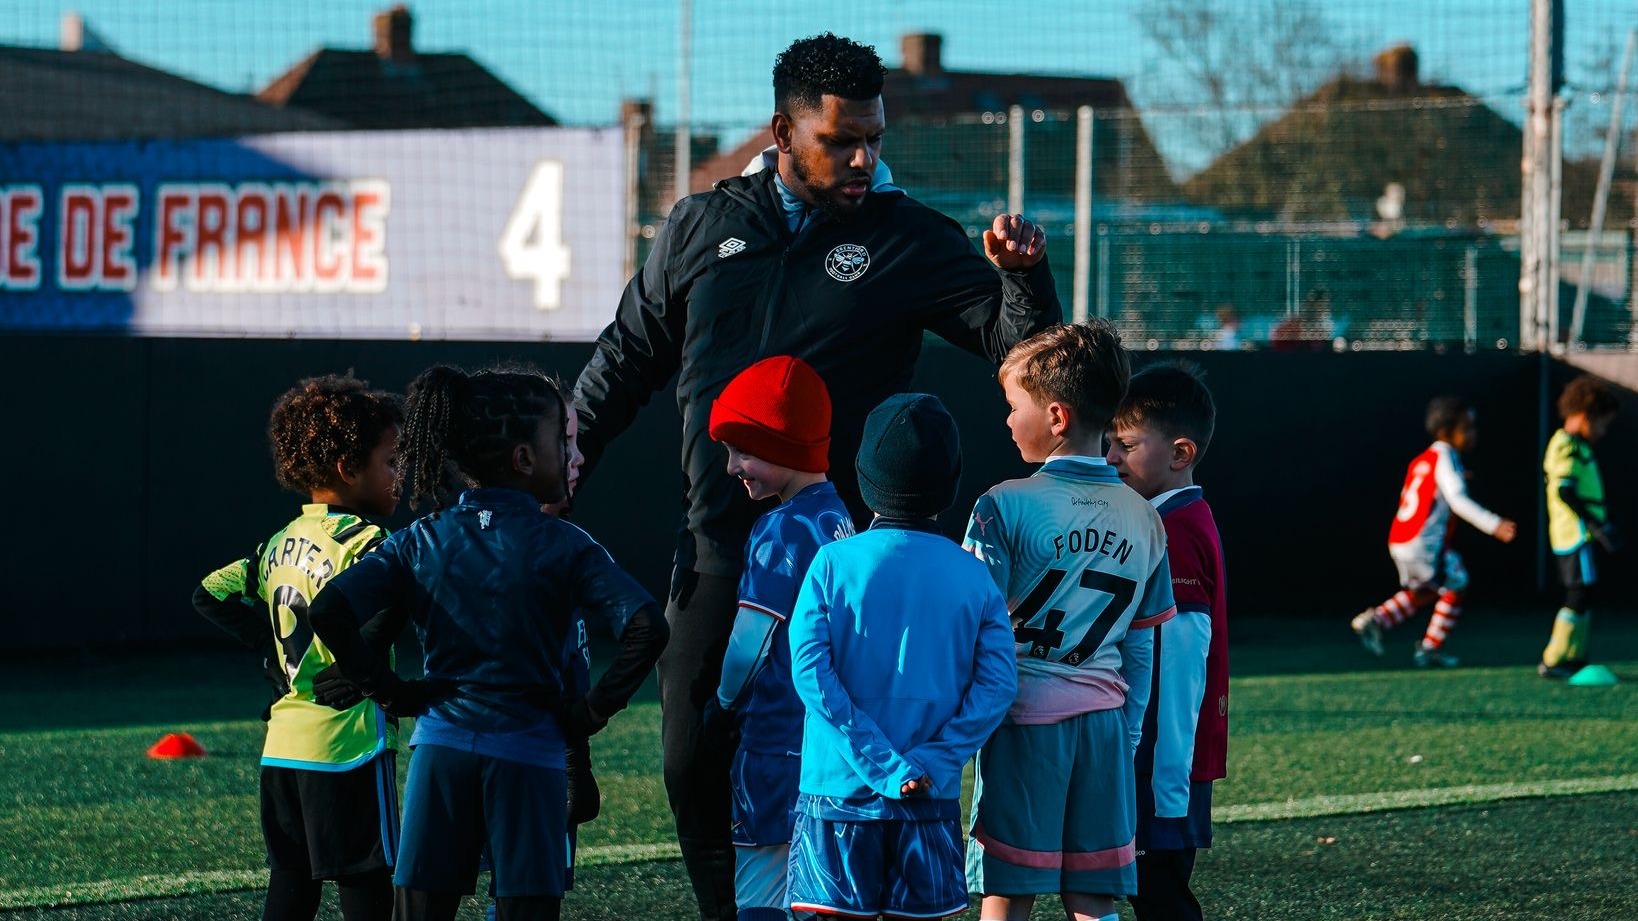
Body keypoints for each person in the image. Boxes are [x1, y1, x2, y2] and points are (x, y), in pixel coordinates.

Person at [572, 32, 1061, 919]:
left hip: (848, 570)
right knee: (690, 758)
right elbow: (628, 353)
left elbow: (1017, 349)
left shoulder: (909, 235)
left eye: (874, 136)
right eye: (841, 139)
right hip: (721, 547)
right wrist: (570, 449)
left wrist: (1024, 275)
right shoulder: (701, 223)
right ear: (783, 131)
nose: (865, 157)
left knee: (838, 761)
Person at [306, 365, 669, 921]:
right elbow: (648, 625)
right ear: (525, 460)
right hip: (530, 758)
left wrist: (391, 692)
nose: (573, 455)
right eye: (562, 442)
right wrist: (590, 712)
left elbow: (329, 610)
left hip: (440, 754)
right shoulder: (567, 545)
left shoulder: (421, 538)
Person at [963, 322, 1175, 921]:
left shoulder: (1001, 504)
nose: (1007, 420)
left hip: (1023, 721)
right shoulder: (1146, 517)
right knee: (1094, 896)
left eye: (1013, 406)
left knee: (1008, 889)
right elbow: (1141, 646)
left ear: (1056, 416)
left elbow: (977, 629)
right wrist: (1127, 732)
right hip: (1105, 725)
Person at [786, 393, 1016, 920]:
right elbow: (998, 685)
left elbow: (810, 674)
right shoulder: (973, 574)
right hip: (929, 797)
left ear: (863, 474)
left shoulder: (830, 563)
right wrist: (931, 763)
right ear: (952, 477)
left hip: (837, 795)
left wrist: (881, 764)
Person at [191, 373, 404, 921]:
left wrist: (268, 645)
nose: (398, 475)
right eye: (390, 460)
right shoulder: (364, 541)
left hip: (282, 748)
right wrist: (364, 669)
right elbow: (392, 605)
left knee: (290, 887)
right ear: (347, 469)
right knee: (368, 881)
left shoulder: (277, 543)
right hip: (347, 746)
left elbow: (208, 592)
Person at [698, 355, 855, 921]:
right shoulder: (837, 517)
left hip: (772, 741)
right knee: (815, 891)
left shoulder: (782, 528)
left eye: (744, 450)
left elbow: (752, 639)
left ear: (786, 446)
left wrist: (720, 703)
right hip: (824, 745)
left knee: (761, 893)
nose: (731, 465)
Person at [1107, 364, 1229, 921]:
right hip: (1154, 764)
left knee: (1160, 899)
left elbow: (1177, 670)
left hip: (1158, 769)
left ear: (1180, 453)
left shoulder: (1173, 531)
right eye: (1109, 442)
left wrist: (1159, 781)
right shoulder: (1165, 520)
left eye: (1127, 445)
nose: (1111, 457)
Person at [1349, 396, 1518, 667]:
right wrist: (1493, 523)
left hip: (1400, 539)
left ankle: (1376, 620)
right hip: (1424, 542)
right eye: (1467, 427)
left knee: (1426, 591)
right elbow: (1457, 500)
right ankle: (1430, 648)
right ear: (1446, 431)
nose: (1473, 433)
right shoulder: (1446, 455)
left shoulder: (1423, 459)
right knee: (1457, 583)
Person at [1539, 375, 1621, 678]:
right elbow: (1564, 491)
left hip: (1580, 533)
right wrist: (1596, 526)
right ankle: (1553, 659)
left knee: (1585, 591)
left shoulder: (1578, 446)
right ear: (1586, 416)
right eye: (1601, 424)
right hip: (1575, 534)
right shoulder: (1566, 446)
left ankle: (1576, 656)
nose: (1602, 432)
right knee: (1578, 594)